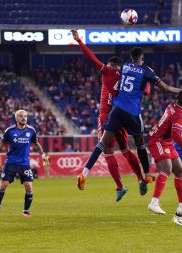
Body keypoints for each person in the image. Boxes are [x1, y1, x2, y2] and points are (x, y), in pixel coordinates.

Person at [76, 46, 182, 196]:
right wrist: (181, 91)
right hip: (132, 112)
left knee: (102, 145)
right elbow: (158, 89)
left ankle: (84, 173)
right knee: (139, 144)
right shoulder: (145, 70)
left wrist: (79, 40)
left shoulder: (124, 67)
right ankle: (145, 175)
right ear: (142, 57)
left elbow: (93, 59)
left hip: (115, 111)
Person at [72, 29, 149, 200]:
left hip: (108, 117)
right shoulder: (127, 75)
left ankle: (120, 187)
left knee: (107, 152)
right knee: (126, 150)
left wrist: (79, 41)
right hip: (124, 115)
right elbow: (147, 88)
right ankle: (140, 178)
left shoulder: (107, 72)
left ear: (111, 65)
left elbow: (92, 58)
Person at [147, 90, 182, 225]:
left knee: (180, 171)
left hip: (167, 142)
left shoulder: (173, 105)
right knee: (167, 168)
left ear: (177, 98)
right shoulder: (179, 113)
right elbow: (176, 134)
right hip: (157, 140)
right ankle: (154, 202)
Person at [0, 110, 49, 218]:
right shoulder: (10, 131)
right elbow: (0, 144)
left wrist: (43, 155)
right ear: (16, 118)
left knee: (29, 186)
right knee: (3, 185)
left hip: (24, 163)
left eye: (25, 116)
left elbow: (36, 144)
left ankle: (26, 210)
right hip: (10, 162)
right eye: (21, 116)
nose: (24, 118)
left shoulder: (31, 130)